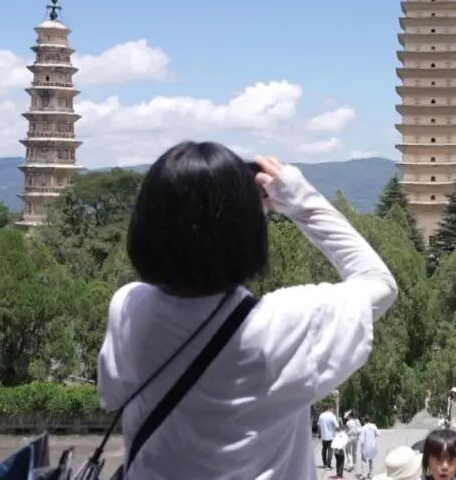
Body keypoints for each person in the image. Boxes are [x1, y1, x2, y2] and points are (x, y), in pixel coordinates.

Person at [97, 144, 398, 479]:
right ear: (246, 233)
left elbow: (111, 394)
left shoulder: (128, 309)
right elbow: (379, 283)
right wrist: (301, 200)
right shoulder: (281, 326)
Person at [319, 406, 340, 470]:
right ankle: (328, 466)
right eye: (334, 410)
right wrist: (340, 432)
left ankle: (324, 463)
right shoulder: (332, 416)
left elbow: (319, 426)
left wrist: (319, 434)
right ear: (331, 409)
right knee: (330, 451)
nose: (334, 411)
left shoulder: (321, 415)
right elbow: (337, 426)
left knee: (324, 450)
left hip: (323, 436)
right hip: (331, 437)